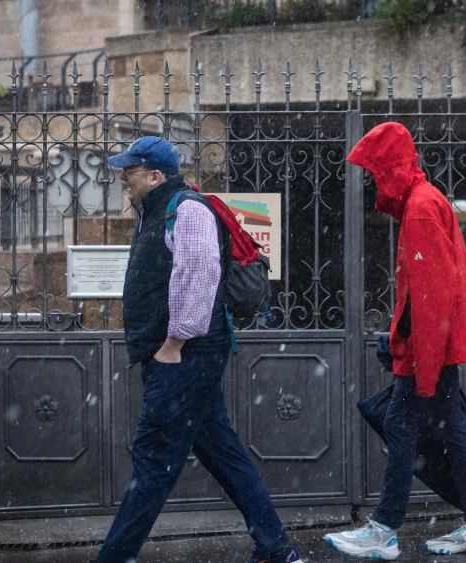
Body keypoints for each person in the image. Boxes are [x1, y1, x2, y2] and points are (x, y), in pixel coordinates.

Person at [97, 136, 303, 563]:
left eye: (129, 171)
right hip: (185, 355)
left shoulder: (186, 210)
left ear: (155, 176)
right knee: (223, 453)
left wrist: (173, 345)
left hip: (185, 354)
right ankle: (276, 547)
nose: (122, 178)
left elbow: (200, 277)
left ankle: (114, 557)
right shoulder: (153, 212)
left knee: (153, 462)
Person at [323, 123, 466, 559]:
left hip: (430, 345)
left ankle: (384, 529)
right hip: (434, 341)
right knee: (450, 425)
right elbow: (427, 292)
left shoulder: (420, 209)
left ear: (392, 169)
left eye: (374, 172)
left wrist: (417, 356)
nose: (371, 182)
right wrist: (402, 335)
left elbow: (430, 294)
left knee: (402, 426)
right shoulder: (424, 202)